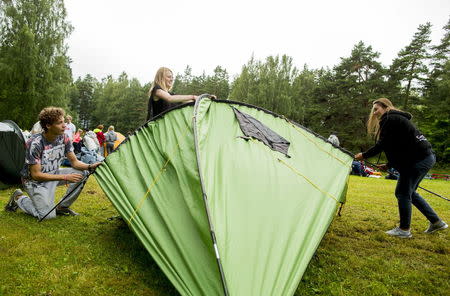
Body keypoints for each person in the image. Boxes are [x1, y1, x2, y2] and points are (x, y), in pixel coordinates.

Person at [355, 98, 447, 238]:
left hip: (418, 160)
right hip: (426, 158)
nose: (374, 113)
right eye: (373, 110)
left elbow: (383, 145)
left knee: (403, 193)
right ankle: (436, 222)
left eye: (376, 109)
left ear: (386, 107)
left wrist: (364, 155)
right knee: (411, 193)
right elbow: (399, 146)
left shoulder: (390, 119)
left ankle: (404, 230)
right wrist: (388, 165)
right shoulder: (396, 119)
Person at [4, 107, 101, 219]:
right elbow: (36, 175)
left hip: (54, 173)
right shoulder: (35, 143)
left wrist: (89, 166)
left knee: (83, 172)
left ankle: (62, 207)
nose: (64, 125)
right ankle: (19, 199)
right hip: (34, 182)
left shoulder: (64, 137)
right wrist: (65, 177)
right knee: (47, 216)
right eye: (60, 123)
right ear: (48, 126)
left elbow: (74, 162)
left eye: (64, 121)